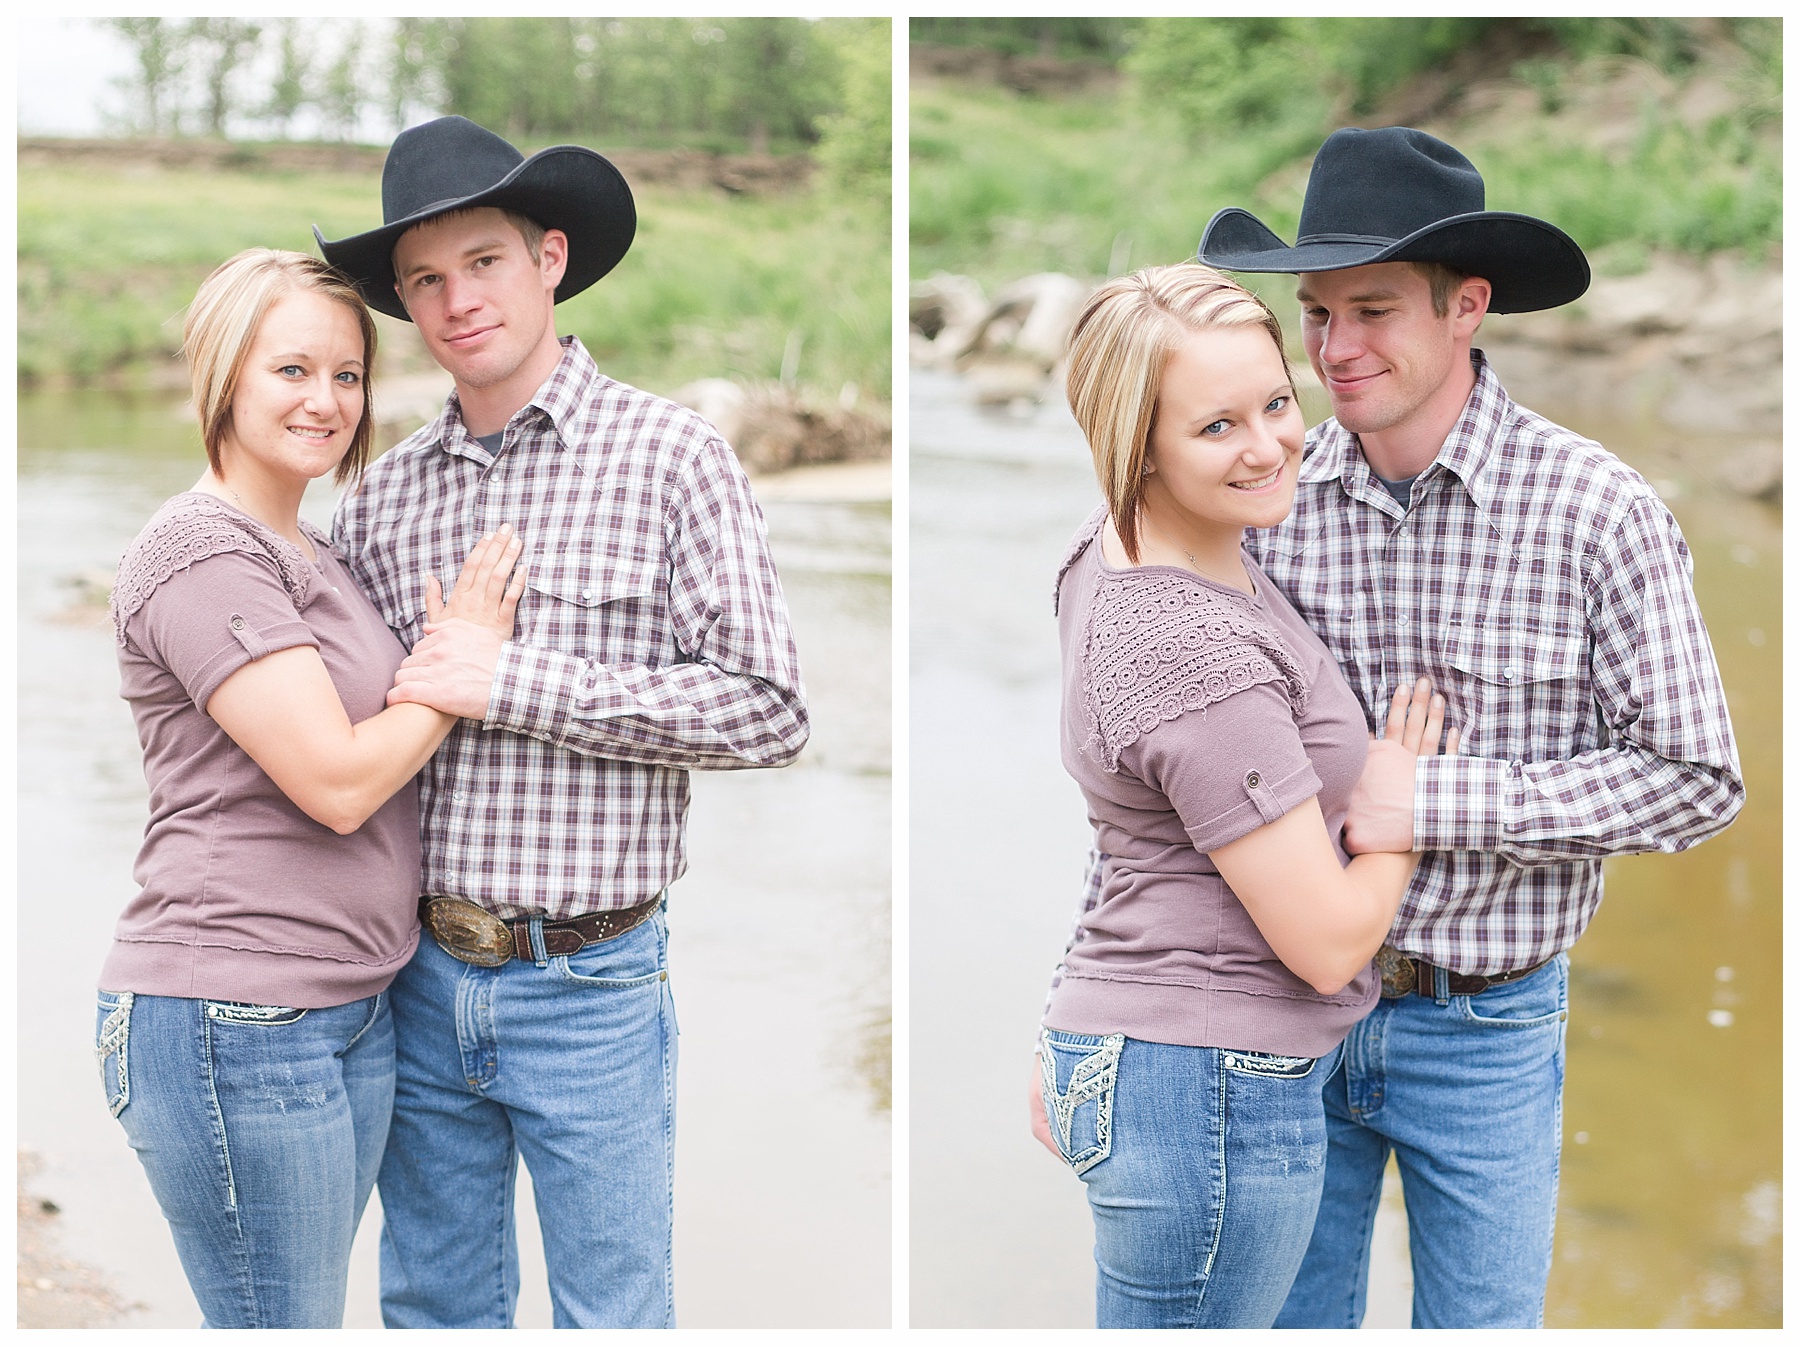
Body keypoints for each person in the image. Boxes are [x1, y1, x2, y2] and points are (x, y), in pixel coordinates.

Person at [1042, 125, 1743, 1329]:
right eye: (1316, 314)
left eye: (1373, 310)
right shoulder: (1266, 488)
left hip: (1487, 1019)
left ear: (1467, 305)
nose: (1335, 351)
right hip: (1277, 1030)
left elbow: (1695, 778)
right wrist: (1083, 1008)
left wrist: (1434, 803)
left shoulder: (1598, 511)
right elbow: (1170, 776)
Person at [316, 115, 809, 1329]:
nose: (453, 300)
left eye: (480, 261)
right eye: (424, 280)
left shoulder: (673, 456)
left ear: (548, 257)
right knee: (433, 1306)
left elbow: (772, 709)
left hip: (594, 981)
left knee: (616, 1314)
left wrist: (509, 677)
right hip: (416, 975)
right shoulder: (382, 494)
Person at [98, 248, 525, 1329]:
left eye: (348, 375)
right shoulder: (202, 552)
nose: (327, 401)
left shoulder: (310, 546)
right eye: (291, 369)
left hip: (346, 1003)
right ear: (223, 375)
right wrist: (462, 661)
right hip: (234, 1007)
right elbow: (336, 781)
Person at [1035, 262, 1458, 1329]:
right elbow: (1326, 943)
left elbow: (1144, 837)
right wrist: (1398, 806)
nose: (1271, 445)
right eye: (1217, 426)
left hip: (1150, 1058)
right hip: (1206, 1091)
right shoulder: (1192, 650)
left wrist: (1074, 1032)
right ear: (1136, 443)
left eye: (1277, 401)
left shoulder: (1115, 546)